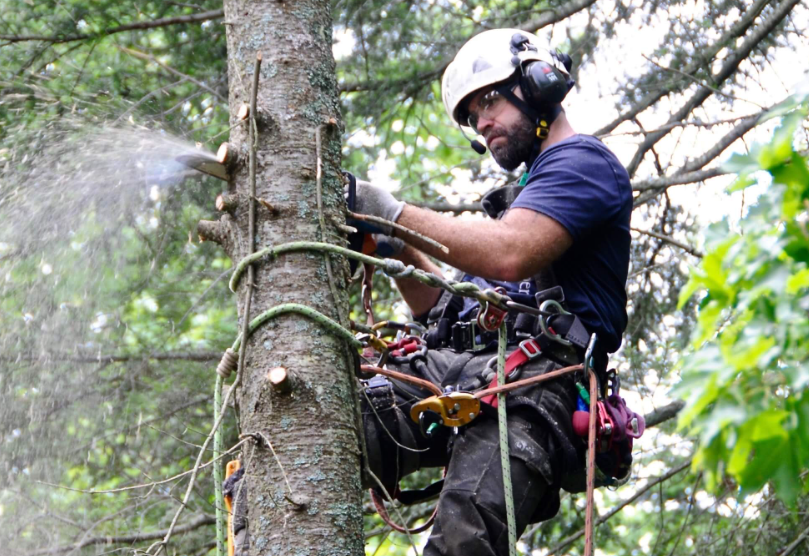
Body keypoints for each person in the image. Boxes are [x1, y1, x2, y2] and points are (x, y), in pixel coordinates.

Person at [354, 28, 632, 555]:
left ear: (538, 84)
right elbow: (445, 312)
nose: (481, 125)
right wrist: (396, 249)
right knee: (328, 417)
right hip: (467, 367)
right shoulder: (525, 198)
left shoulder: (584, 166)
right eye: (470, 117)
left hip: (538, 387)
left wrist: (390, 211)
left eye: (488, 102)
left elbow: (510, 251)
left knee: (461, 544)